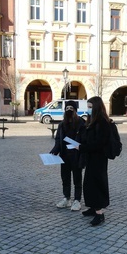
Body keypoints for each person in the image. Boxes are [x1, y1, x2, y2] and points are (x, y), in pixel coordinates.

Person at [78, 96, 111, 226]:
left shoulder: (102, 122)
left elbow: (99, 143)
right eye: (88, 107)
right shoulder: (92, 120)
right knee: (89, 184)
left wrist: (81, 147)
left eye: (90, 107)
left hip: (99, 158)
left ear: (97, 107)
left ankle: (99, 213)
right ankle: (93, 207)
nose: (88, 109)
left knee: (97, 184)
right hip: (91, 157)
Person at [50, 100, 86, 211]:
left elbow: (84, 139)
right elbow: (58, 139)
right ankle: (66, 198)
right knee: (65, 178)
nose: (69, 111)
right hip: (64, 156)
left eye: (71, 109)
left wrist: (78, 145)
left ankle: (77, 200)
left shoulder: (81, 123)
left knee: (77, 179)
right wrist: (55, 149)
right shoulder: (62, 124)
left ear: (75, 110)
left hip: (76, 155)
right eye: (67, 109)